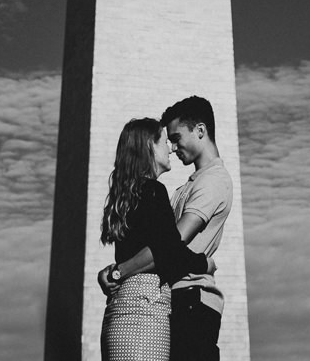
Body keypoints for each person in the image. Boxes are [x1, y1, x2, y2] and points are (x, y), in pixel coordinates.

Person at [98, 96, 234, 361]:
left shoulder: (213, 180)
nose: (172, 147)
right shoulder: (180, 187)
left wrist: (118, 272)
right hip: (170, 299)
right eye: (167, 139)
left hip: (190, 299)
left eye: (176, 136)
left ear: (200, 131)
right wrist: (203, 262)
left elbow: (172, 244)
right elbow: (167, 245)